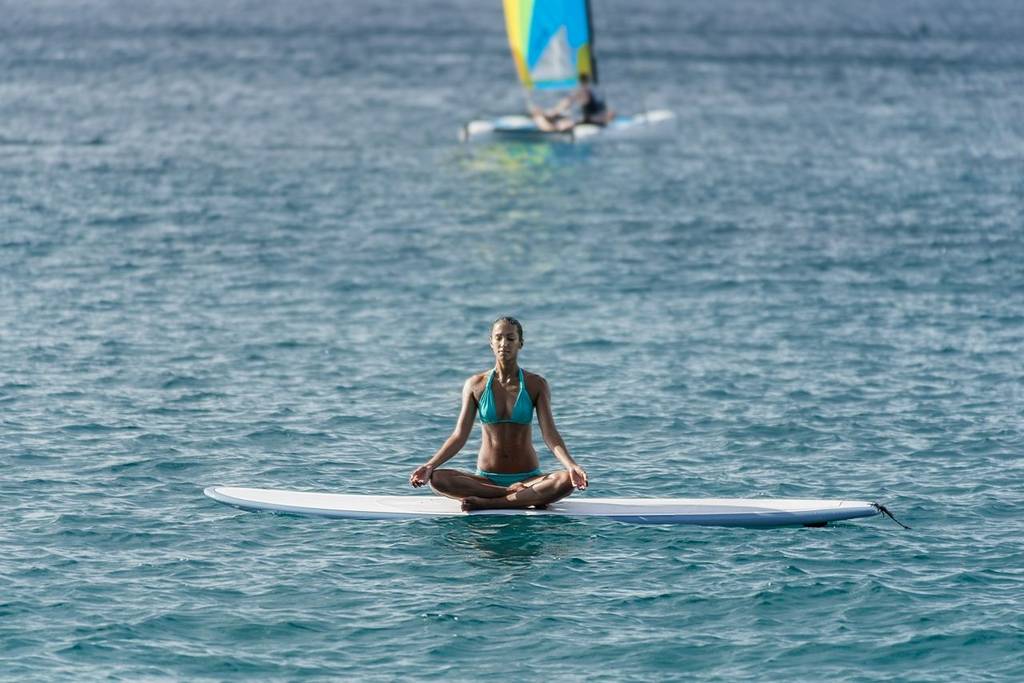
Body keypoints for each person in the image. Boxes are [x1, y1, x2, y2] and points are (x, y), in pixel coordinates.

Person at [409, 317, 588, 511]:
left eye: (510, 338)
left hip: (529, 478)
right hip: (486, 481)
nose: (504, 344)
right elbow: (459, 435)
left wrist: (571, 465)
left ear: (520, 343)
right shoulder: (475, 385)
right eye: (499, 338)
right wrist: (429, 465)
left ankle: (492, 503)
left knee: (564, 480)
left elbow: (550, 434)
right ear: (491, 342)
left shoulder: (536, 384)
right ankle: (511, 495)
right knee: (438, 478)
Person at [529, 73, 616, 132]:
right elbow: (568, 103)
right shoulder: (589, 92)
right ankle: (547, 118)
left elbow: (569, 102)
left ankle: (548, 121)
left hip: (589, 119)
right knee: (558, 116)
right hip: (589, 117)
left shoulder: (585, 92)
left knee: (560, 119)